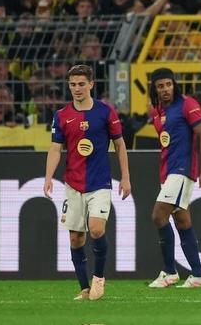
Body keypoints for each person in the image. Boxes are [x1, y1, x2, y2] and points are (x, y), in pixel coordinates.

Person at [43, 64, 131, 301]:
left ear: (91, 84)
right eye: (72, 84)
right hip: (73, 184)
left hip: (100, 183)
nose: (77, 89)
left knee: (96, 229)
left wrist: (125, 177)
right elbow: (55, 148)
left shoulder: (105, 112)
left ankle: (99, 278)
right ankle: (84, 288)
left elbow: (120, 145)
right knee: (76, 238)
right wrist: (48, 177)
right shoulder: (62, 115)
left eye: (81, 84)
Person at [147, 68, 201, 289]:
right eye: (160, 86)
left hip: (182, 168)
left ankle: (169, 272)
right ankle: (198, 275)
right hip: (167, 170)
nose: (165, 89)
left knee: (158, 215)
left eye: (168, 84)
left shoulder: (187, 104)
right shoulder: (156, 110)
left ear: (174, 84)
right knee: (182, 220)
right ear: (154, 89)